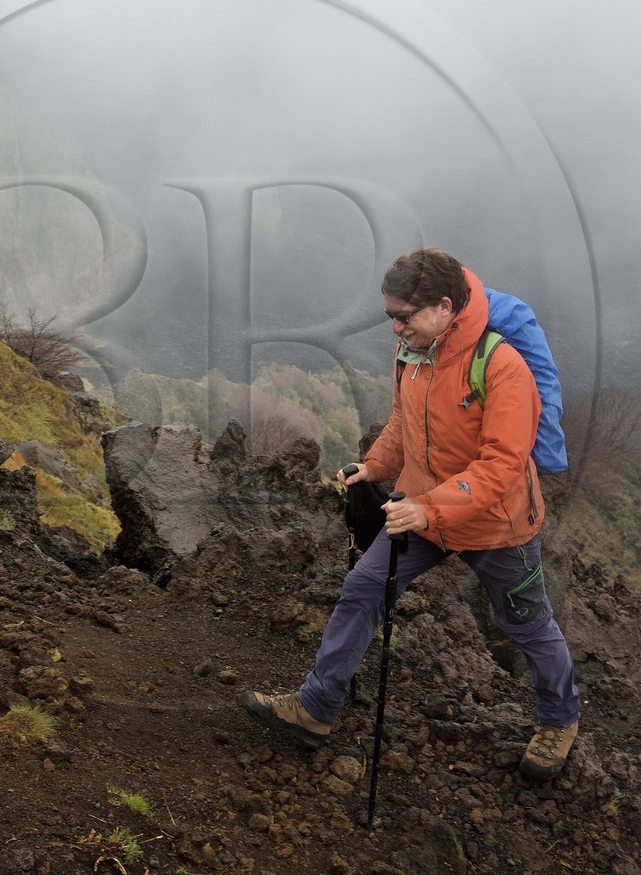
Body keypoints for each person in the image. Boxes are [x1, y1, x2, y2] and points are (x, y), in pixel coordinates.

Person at [242, 248, 581, 781]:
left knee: (527, 626)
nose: (397, 329)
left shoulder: (501, 365)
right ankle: (317, 707)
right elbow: (403, 422)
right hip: (421, 510)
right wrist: (373, 466)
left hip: (498, 525)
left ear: (446, 307)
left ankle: (560, 720)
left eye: (406, 317)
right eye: (391, 318)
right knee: (363, 589)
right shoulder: (413, 353)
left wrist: (427, 509)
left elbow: (502, 465)